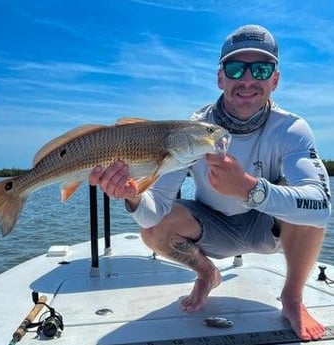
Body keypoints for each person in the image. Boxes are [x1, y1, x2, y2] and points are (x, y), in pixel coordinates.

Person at [89, 24, 331, 341]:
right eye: (235, 68)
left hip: (268, 227)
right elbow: (153, 213)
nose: (247, 80)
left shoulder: (292, 129)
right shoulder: (192, 130)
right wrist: (134, 196)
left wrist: (249, 189)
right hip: (212, 227)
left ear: (275, 79)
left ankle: (292, 298)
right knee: (151, 230)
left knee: (306, 203)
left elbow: (321, 206)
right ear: (220, 78)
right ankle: (206, 274)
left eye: (261, 69)